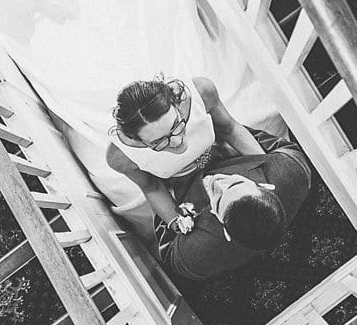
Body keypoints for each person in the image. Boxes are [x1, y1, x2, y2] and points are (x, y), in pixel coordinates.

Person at [105, 75, 264, 235]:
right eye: (160, 141)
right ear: (139, 141)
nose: (177, 142)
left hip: (226, 156)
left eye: (176, 125)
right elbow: (151, 187)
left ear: (175, 104)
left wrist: (265, 163)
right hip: (186, 188)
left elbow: (229, 128)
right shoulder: (120, 158)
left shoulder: (202, 91)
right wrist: (177, 221)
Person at [156, 128, 313, 282]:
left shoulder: (194, 257)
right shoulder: (292, 169)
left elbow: (168, 250)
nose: (216, 183)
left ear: (225, 232)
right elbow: (234, 130)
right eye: (234, 184)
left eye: (218, 201)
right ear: (265, 186)